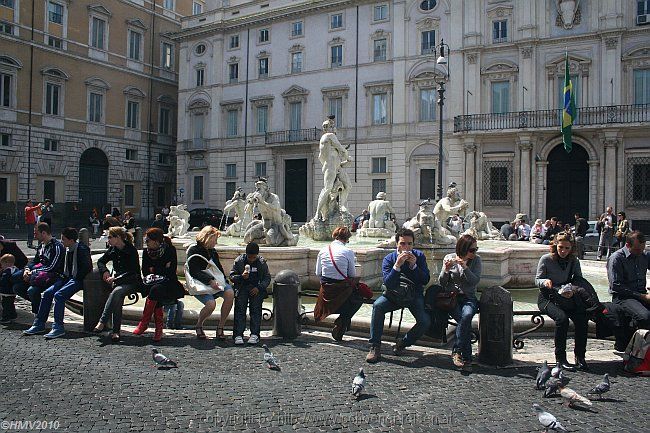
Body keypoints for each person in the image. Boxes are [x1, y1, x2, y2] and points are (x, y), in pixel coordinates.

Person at [366, 228, 431, 363]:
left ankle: (403, 343)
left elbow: (425, 280)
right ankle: (374, 346)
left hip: (413, 295)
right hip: (394, 295)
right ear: (397, 244)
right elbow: (388, 283)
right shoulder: (389, 259)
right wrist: (397, 266)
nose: (406, 247)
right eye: (403, 243)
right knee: (378, 306)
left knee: (425, 321)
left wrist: (414, 266)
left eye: (410, 244)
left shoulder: (419, 256)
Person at [23, 228, 91, 339]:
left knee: (59, 295)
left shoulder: (82, 249)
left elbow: (86, 268)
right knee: (47, 293)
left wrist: (72, 278)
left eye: (63, 239)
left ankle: (58, 326)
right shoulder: (68, 249)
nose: (61, 241)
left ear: (71, 240)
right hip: (66, 277)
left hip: (77, 279)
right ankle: (39, 323)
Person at [535, 232, 590, 370]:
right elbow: (537, 280)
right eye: (560, 247)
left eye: (567, 248)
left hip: (566, 297)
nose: (563, 251)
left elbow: (578, 280)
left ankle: (580, 356)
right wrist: (545, 281)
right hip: (547, 298)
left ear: (572, 248)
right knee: (562, 319)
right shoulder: (546, 259)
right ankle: (560, 359)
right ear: (555, 246)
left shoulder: (574, 261)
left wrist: (572, 290)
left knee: (582, 319)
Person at [133, 228, 185, 342]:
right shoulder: (147, 252)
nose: (146, 243)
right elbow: (145, 271)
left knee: (156, 290)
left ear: (156, 241)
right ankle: (158, 328)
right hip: (151, 282)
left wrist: (154, 269)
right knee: (156, 290)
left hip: (169, 282)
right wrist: (161, 268)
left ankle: (145, 323)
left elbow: (171, 271)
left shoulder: (170, 249)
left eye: (148, 240)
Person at [439, 234, 482, 370]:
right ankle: (467, 357)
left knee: (466, 316)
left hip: (469, 298)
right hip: (452, 299)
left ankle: (457, 352)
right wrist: (446, 270)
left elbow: (475, 281)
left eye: (476, 249)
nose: (474, 253)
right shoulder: (449, 257)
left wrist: (465, 268)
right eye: (472, 250)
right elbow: (442, 282)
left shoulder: (476, 261)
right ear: (463, 249)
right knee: (464, 322)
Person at [314, 227, 363, 341]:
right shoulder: (348, 252)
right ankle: (342, 321)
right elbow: (352, 274)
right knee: (359, 299)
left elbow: (318, 273)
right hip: (341, 290)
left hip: (326, 290)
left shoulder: (323, 250)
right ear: (347, 239)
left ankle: (341, 322)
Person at [93, 226, 142, 342]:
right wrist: (104, 271)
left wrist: (115, 278)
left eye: (110, 237)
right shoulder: (113, 249)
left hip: (132, 282)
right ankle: (115, 332)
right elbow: (100, 261)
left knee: (116, 292)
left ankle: (102, 321)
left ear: (118, 237)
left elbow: (133, 271)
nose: (108, 240)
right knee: (117, 297)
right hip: (119, 282)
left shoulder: (131, 250)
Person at [186, 226, 234, 340]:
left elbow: (218, 268)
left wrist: (224, 281)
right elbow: (194, 271)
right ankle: (199, 324)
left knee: (230, 293)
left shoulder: (212, 251)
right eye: (215, 239)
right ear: (207, 238)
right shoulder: (193, 250)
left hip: (215, 282)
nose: (216, 242)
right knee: (211, 304)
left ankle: (221, 327)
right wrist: (210, 281)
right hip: (201, 283)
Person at [607, 231, 650, 347]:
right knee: (644, 316)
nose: (640, 253)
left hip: (641, 294)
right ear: (627, 245)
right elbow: (616, 285)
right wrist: (642, 296)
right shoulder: (616, 258)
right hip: (623, 297)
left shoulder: (643, 255)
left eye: (642, 250)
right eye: (637, 250)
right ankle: (638, 349)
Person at [14, 222, 65, 316]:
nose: (34, 235)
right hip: (38, 275)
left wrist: (32, 272)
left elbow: (52, 267)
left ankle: (38, 315)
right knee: (17, 286)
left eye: (36, 233)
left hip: (52, 276)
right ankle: (42, 306)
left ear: (44, 233)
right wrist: (27, 270)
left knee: (32, 291)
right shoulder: (41, 246)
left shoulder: (57, 247)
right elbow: (35, 262)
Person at [230, 242, 271, 345]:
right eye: (250, 257)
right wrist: (241, 277)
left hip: (256, 289)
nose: (252, 259)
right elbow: (232, 276)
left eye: (254, 257)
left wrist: (259, 287)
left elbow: (267, 277)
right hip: (242, 287)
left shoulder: (261, 263)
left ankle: (255, 334)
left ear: (257, 255)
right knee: (240, 310)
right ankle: (238, 335)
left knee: (256, 311)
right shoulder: (239, 261)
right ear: (246, 254)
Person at [0, 240, 28, 324]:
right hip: (8, 289)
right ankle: (12, 315)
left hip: (7, 288)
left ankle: (6, 317)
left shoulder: (10, 246)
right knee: (9, 303)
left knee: (7, 304)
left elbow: (23, 261)